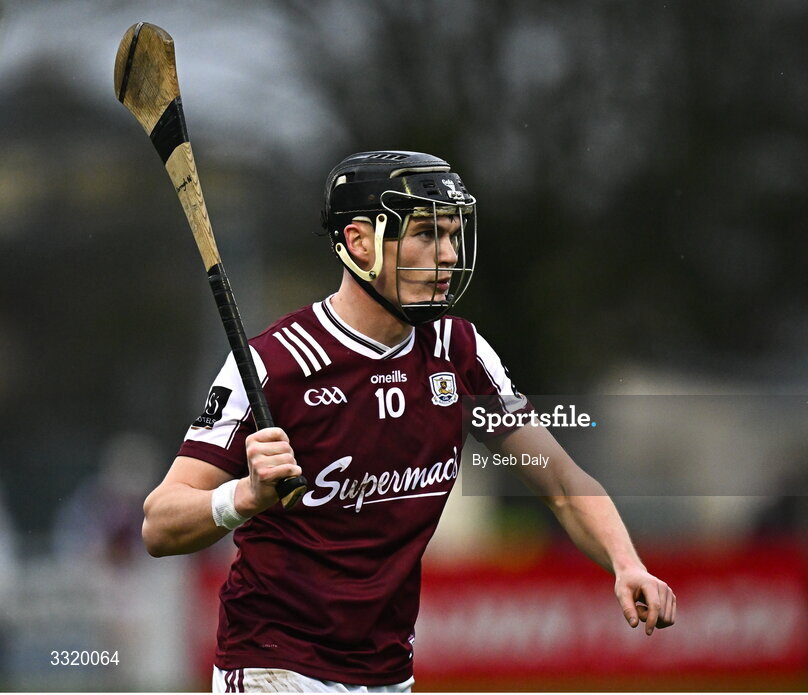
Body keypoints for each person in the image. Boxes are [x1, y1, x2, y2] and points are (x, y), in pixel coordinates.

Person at [142, 151, 676, 693]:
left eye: (451, 233)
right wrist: (245, 496)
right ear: (359, 242)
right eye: (424, 234)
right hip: (274, 664)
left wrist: (626, 563)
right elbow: (159, 525)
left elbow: (561, 483)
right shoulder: (274, 364)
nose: (447, 255)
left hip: (388, 672)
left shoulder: (458, 351)